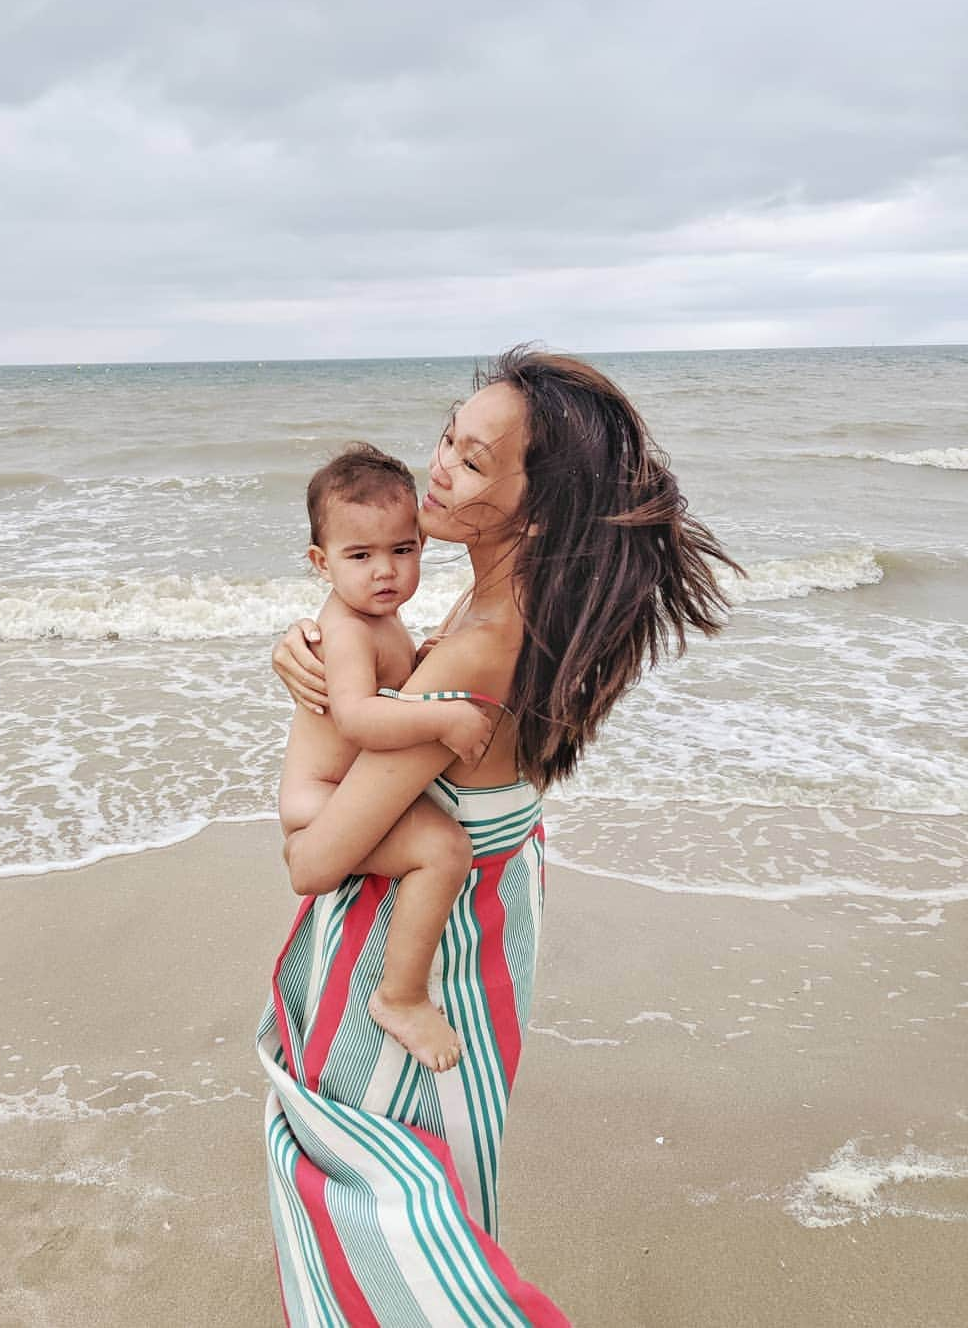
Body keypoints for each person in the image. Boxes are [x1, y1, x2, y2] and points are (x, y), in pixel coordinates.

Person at [258, 346, 744, 1325]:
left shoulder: (480, 646)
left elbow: (312, 859)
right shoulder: (520, 609)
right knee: (443, 1177)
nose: (438, 465)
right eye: (448, 437)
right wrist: (324, 664)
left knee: (377, 1202)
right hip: (479, 937)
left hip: (405, 964)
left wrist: (345, 715)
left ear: (536, 507)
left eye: (473, 462)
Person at [279, 441, 495, 1072]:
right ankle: (401, 996)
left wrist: (422, 663)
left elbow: (383, 691)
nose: (386, 572)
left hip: (334, 792)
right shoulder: (345, 627)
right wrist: (444, 715)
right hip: (320, 798)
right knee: (443, 849)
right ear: (322, 562)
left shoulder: (381, 619)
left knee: (438, 846)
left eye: (402, 550)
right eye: (361, 555)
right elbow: (359, 717)